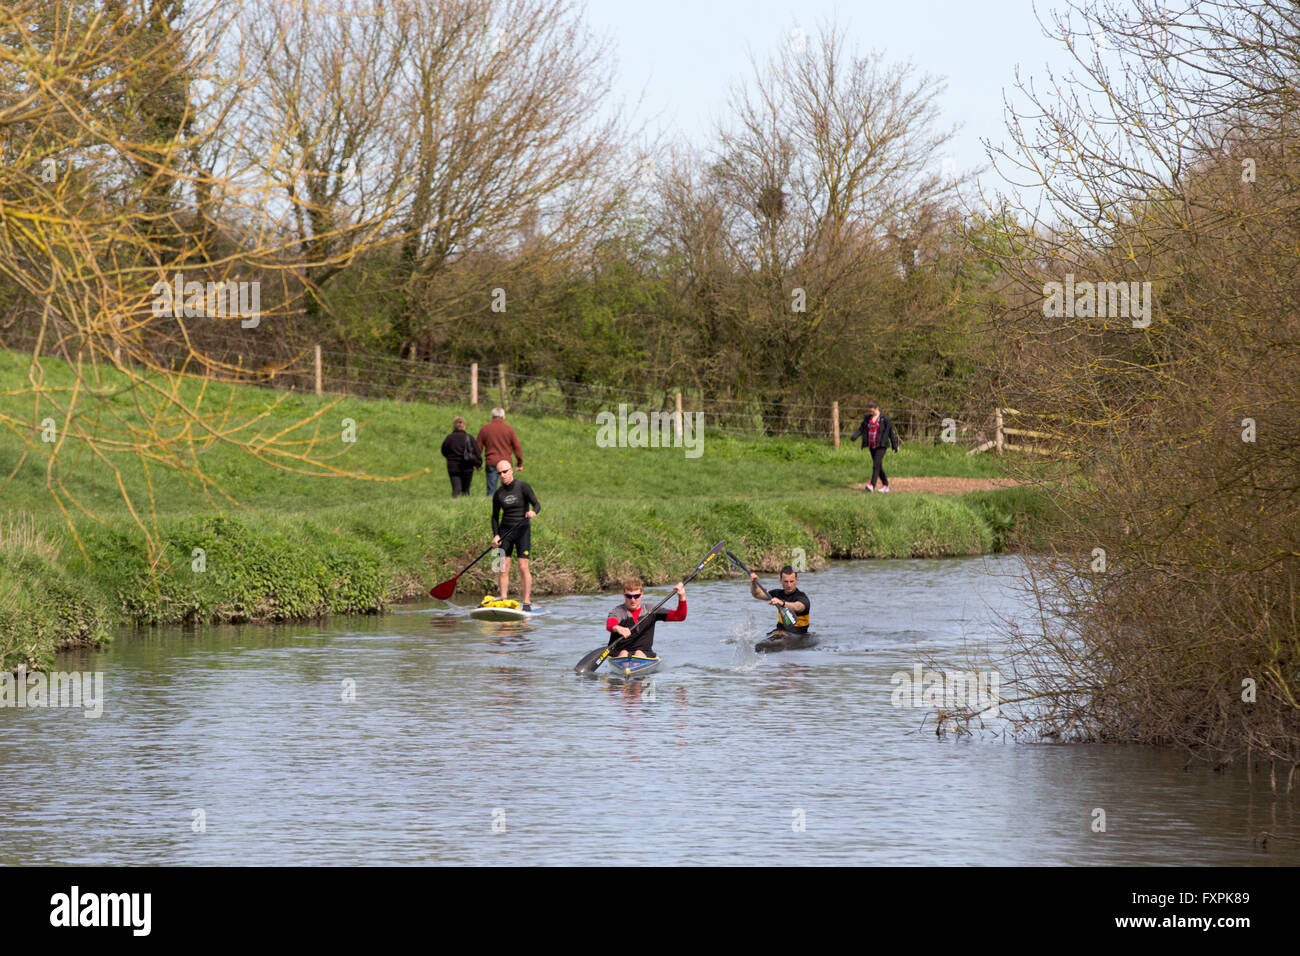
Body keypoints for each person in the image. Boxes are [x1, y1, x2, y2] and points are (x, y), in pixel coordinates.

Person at [490, 460, 540, 609]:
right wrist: (496, 535)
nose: (502, 475)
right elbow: (494, 516)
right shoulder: (498, 493)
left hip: (522, 530)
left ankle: (526, 601)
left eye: (505, 472)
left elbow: (537, 504)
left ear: (511, 470)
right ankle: (504, 599)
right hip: (506, 532)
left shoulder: (523, 487)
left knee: (523, 566)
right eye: (499, 473)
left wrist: (533, 512)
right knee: (502, 567)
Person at [606, 578, 687, 660]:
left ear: (642, 594)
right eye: (629, 596)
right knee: (624, 653)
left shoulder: (651, 610)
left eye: (636, 596)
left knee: (639, 653)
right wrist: (617, 628)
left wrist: (682, 597)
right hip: (619, 652)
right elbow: (610, 624)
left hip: (644, 652)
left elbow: (679, 616)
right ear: (624, 595)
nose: (633, 600)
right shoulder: (618, 611)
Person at [850, 401, 900, 492]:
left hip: (881, 445)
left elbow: (890, 433)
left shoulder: (885, 419)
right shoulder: (867, 419)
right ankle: (885, 485)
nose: (871, 413)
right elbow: (862, 428)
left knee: (875, 465)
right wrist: (855, 436)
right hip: (871, 445)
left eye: (872, 411)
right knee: (878, 466)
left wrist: (894, 445)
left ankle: (872, 485)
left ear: (877, 408)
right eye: (869, 411)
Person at [476, 407, 523, 497]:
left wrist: (478, 463)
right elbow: (517, 446)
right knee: (508, 490)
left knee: (491, 490)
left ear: (492, 416)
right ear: (504, 417)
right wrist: (519, 463)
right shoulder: (509, 429)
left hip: (491, 462)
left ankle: (490, 508)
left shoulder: (485, 429)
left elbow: (478, 447)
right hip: (506, 463)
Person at [749, 566, 810, 633]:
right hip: (780, 632)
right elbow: (757, 594)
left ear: (796, 580)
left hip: (799, 635)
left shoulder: (802, 597)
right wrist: (754, 583)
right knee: (762, 643)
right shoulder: (778, 593)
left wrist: (782, 603)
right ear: (780, 581)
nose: (789, 585)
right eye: (786, 582)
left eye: (791, 581)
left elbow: (798, 607)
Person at [439, 416, 481, 497]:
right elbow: (476, 452)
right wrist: (478, 464)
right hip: (467, 467)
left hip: (453, 467)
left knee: (456, 489)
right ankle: (466, 506)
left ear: (454, 426)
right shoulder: (469, 437)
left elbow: (444, 451)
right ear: (464, 426)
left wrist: (451, 458)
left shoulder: (449, 438)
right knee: (466, 490)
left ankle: (454, 506)